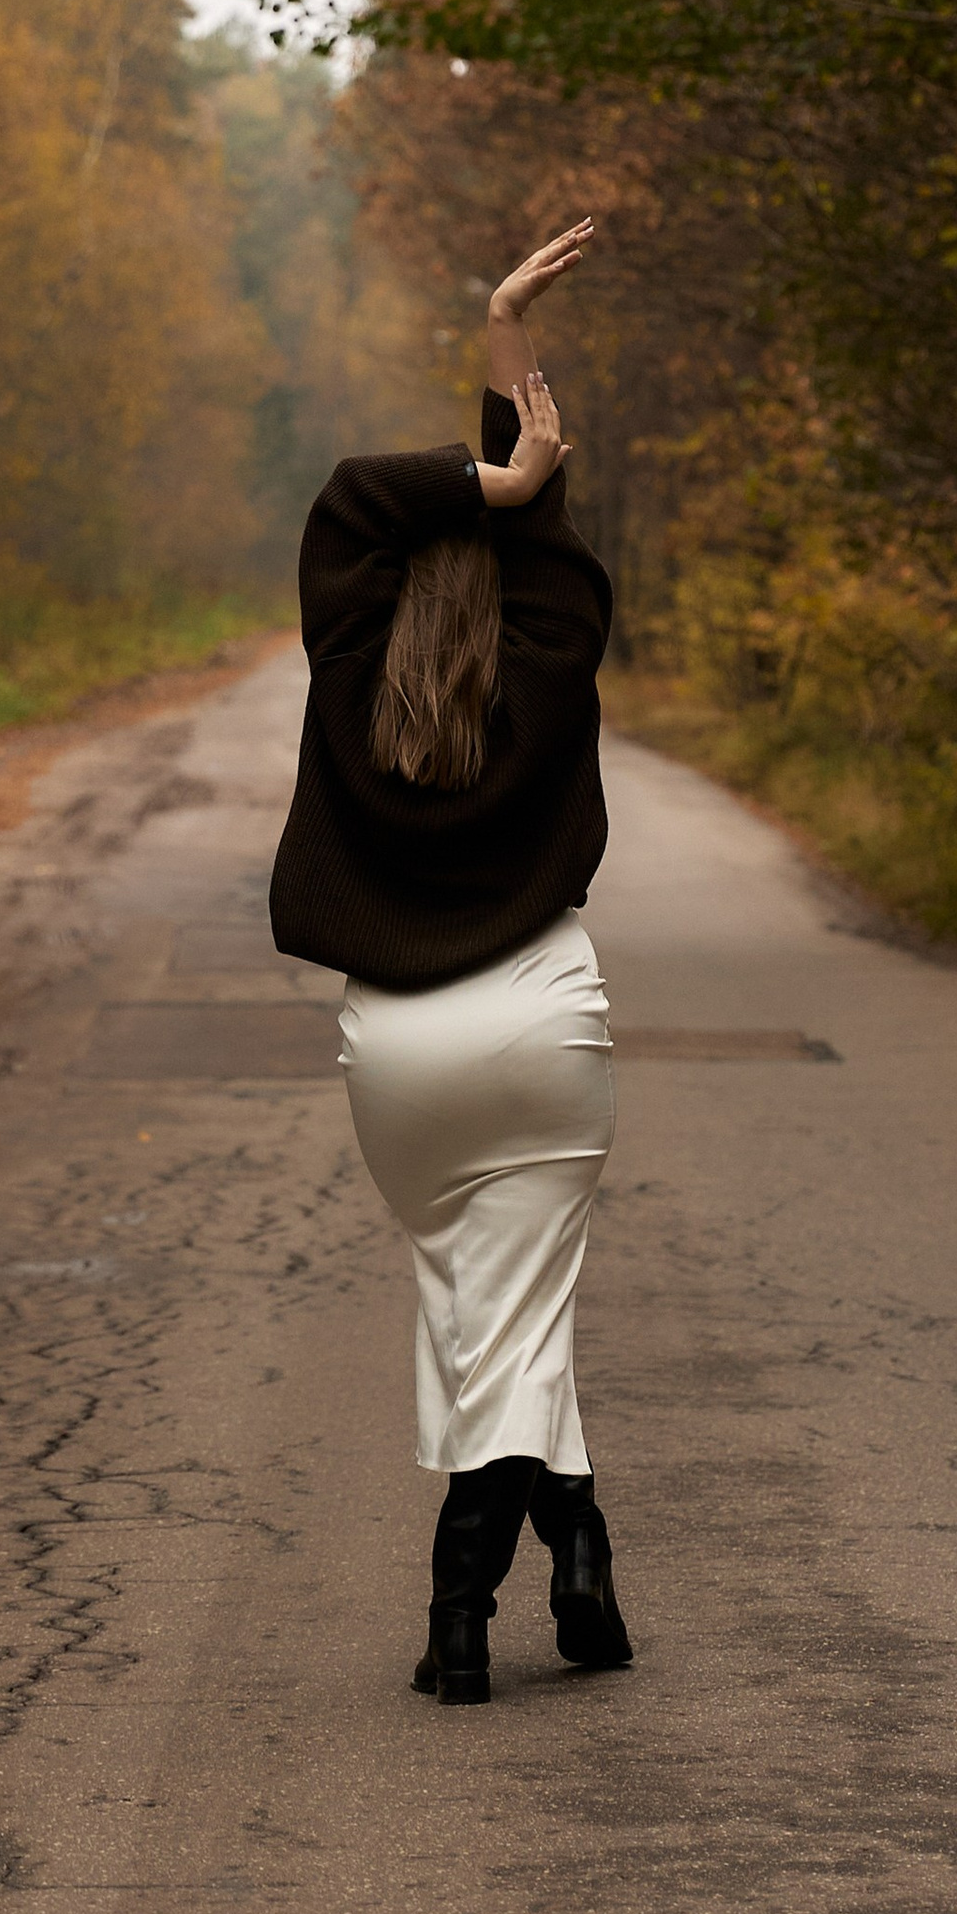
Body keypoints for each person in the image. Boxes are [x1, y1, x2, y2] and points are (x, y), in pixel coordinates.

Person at [270, 220, 632, 1708]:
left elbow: (355, 500)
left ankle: (565, 1567)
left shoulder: (350, 667)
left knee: (479, 1297)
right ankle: (476, 1602)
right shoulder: (552, 652)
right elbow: (542, 549)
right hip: (543, 1021)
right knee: (519, 1306)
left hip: (399, 1050)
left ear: (380, 590)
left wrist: (497, 450)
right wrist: (513, 377)